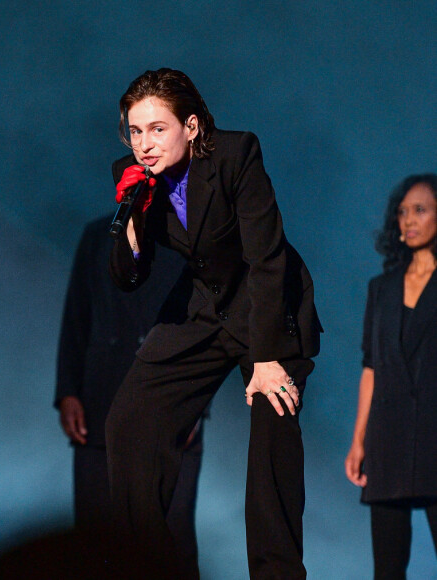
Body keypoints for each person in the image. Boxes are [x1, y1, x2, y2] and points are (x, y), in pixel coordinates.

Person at [105, 68, 322, 580]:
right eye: (136, 132)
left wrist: (266, 358)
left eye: (158, 129)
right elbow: (127, 277)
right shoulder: (135, 177)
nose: (144, 144)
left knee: (274, 426)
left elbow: (267, 258)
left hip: (267, 304)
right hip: (203, 309)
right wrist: (133, 218)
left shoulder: (236, 154)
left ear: (193, 125)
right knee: (129, 423)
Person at [55, 214, 205, 579]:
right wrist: (67, 392)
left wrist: (198, 404)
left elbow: (208, 328)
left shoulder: (195, 238)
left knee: (170, 540)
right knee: (96, 541)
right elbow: (77, 313)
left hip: (171, 408)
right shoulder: (98, 234)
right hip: (99, 403)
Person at [345, 174, 437, 579]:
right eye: (402, 212)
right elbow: (371, 367)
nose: (408, 220)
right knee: (387, 570)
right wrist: (358, 439)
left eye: (420, 210)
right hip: (388, 437)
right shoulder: (380, 288)